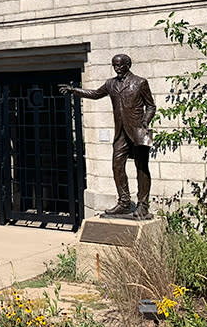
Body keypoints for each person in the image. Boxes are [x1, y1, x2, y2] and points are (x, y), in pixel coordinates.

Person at [59, 54, 156, 218]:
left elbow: (151, 106)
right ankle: (124, 203)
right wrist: (75, 90)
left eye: (119, 65)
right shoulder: (111, 84)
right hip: (120, 133)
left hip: (138, 131)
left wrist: (146, 120)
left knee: (141, 168)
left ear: (128, 65)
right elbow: (95, 93)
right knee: (117, 166)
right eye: (114, 65)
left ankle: (143, 205)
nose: (116, 68)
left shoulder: (140, 82)